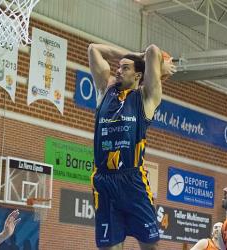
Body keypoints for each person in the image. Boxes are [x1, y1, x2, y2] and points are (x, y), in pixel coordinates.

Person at [88, 43, 176, 250]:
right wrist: (132, 55)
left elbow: (154, 50)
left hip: (132, 179)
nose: (118, 71)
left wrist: (150, 62)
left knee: (149, 245)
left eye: (125, 68)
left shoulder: (146, 98)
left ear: (138, 76)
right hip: (104, 179)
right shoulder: (104, 91)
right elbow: (93, 49)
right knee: (109, 246)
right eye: (118, 67)